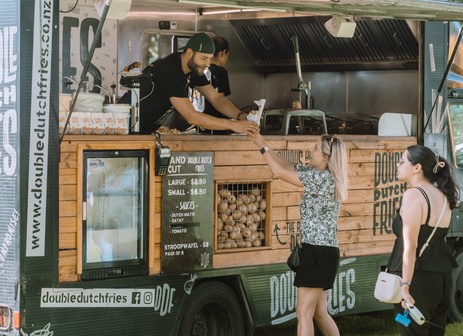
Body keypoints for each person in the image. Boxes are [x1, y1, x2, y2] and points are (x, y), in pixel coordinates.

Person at [249, 132, 349, 336]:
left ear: (326, 157)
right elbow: (286, 167)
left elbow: (278, 172)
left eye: (315, 148)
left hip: (316, 252)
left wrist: (261, 146)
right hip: (327, 252)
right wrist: (264, 143)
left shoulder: (320, 178)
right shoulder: (321, 175)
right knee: (319, 313)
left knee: (303, 313)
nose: (311, 150)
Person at [387, 145, 459, 336]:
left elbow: (411, 246)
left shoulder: (413, 195)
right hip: (442, 275)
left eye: (402, 162)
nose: (398, 165)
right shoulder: (444, 196)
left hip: (416, 277)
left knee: (412, 331)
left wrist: (405, 286)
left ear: (417, 168)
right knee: (435, 331)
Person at [137, 32, 258, 135]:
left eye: (209, 58)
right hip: (132, 130)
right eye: (204, 58)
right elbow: (191, 116)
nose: (208, 64)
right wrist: (233, 125)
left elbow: (216, 98)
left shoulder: (192, 68)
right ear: (189, 52)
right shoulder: (170, 70)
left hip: (147, 131)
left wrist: (240, 115)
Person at [201, 35, 232, 134]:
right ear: (223, 52)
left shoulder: (200, 70)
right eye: (227, 55)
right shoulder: (221, 72)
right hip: (215, 123)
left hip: (199, 121)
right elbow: (220, 100)